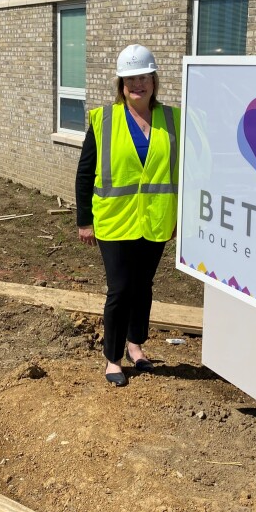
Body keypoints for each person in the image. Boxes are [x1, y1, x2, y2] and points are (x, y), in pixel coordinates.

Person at [75, 44, 181, 387]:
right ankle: (113, 358)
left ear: (154, 80)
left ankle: (137, 344)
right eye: (131, 78)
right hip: (114, 220)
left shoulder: (173, 120)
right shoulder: (104, 119)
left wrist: (180, 216)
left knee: (143, 286)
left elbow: (185, 171)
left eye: (144, 77)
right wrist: (84, 219)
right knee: (120, 289)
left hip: (155, 219)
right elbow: (85, 171)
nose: (139, 84)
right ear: (121, 84)